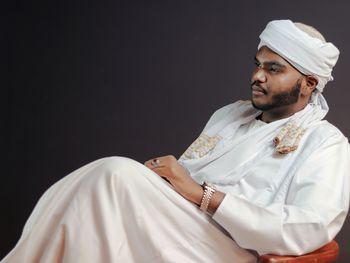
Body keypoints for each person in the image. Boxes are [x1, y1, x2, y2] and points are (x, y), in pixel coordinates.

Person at [2, 19, 350, 263]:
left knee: (113, 176)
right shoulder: (230, 115)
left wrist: (204, 196)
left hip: (229, 250)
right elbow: (185, 180)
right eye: (258, 64)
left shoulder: (325, 143)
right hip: (181, 228)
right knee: (102, 188)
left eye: (274, 69)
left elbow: (311, 228)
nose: (257, 76)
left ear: (308, 83)